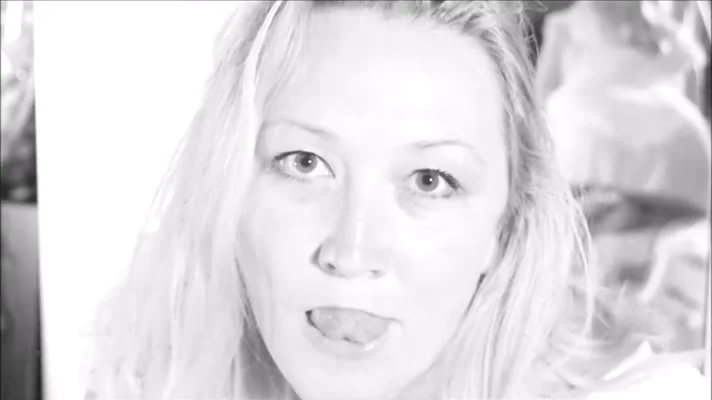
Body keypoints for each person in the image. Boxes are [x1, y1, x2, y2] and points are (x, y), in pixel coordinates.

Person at [87, 1, 709, 399]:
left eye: (430, 180)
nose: (352, 251)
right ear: (229, 186)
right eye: (304, 163)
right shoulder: (149, 375)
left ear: (503, 228)